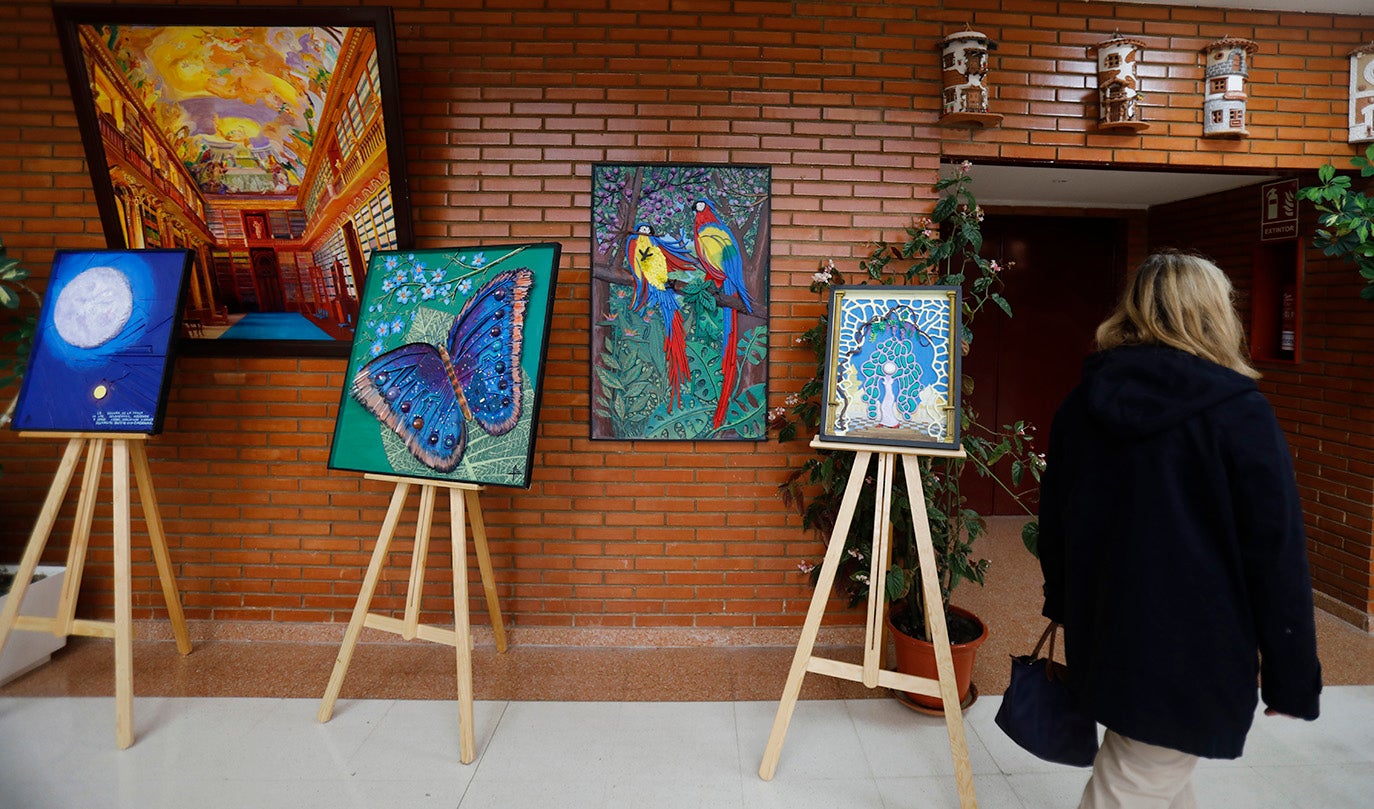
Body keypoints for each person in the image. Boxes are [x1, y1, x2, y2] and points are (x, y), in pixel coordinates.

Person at [1037, 250, 1322, 808]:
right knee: (1136, 780)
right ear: (1216, 312)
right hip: (1194, 646)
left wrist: (1069, 606)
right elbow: (1275, 554)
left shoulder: (1082, 404)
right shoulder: (1239, 413)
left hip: (1107, 628)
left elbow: (1056, 524)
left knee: (1152, 764)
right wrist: (1291, 673)